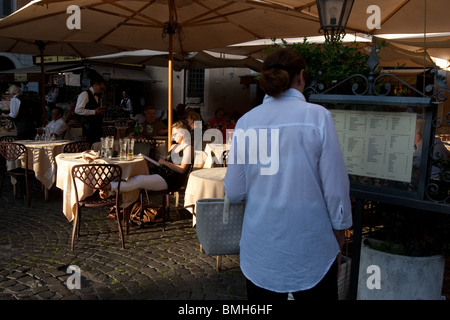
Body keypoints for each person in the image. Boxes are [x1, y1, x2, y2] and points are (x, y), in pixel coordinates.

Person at [224, 49, 352, 300]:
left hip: (261, 248)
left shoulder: (246, 122)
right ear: (301, 77)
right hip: (312, 246)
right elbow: (335, 189)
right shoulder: (318, 117)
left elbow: (235, 192)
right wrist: (339, 238)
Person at [100, 120, 192, 198]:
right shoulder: (173, 146)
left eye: (175, 134)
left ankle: (109, 187)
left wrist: (164, 163)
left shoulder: (189, 148)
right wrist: (155, 163)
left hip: (171, 179)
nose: (172, 137)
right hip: (161, 172)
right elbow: (165, 162)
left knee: (138, 180)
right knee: (132, 174)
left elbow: (182, 169)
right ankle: (109, 192)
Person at [75, 76, 107, 144]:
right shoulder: (85, 94)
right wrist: (94, 112)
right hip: (88, 127)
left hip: (97, 127)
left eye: (103, 90)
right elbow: (78, 110)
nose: (102, 91)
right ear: (96, 85)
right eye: (101, 89)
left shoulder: (99, 97)